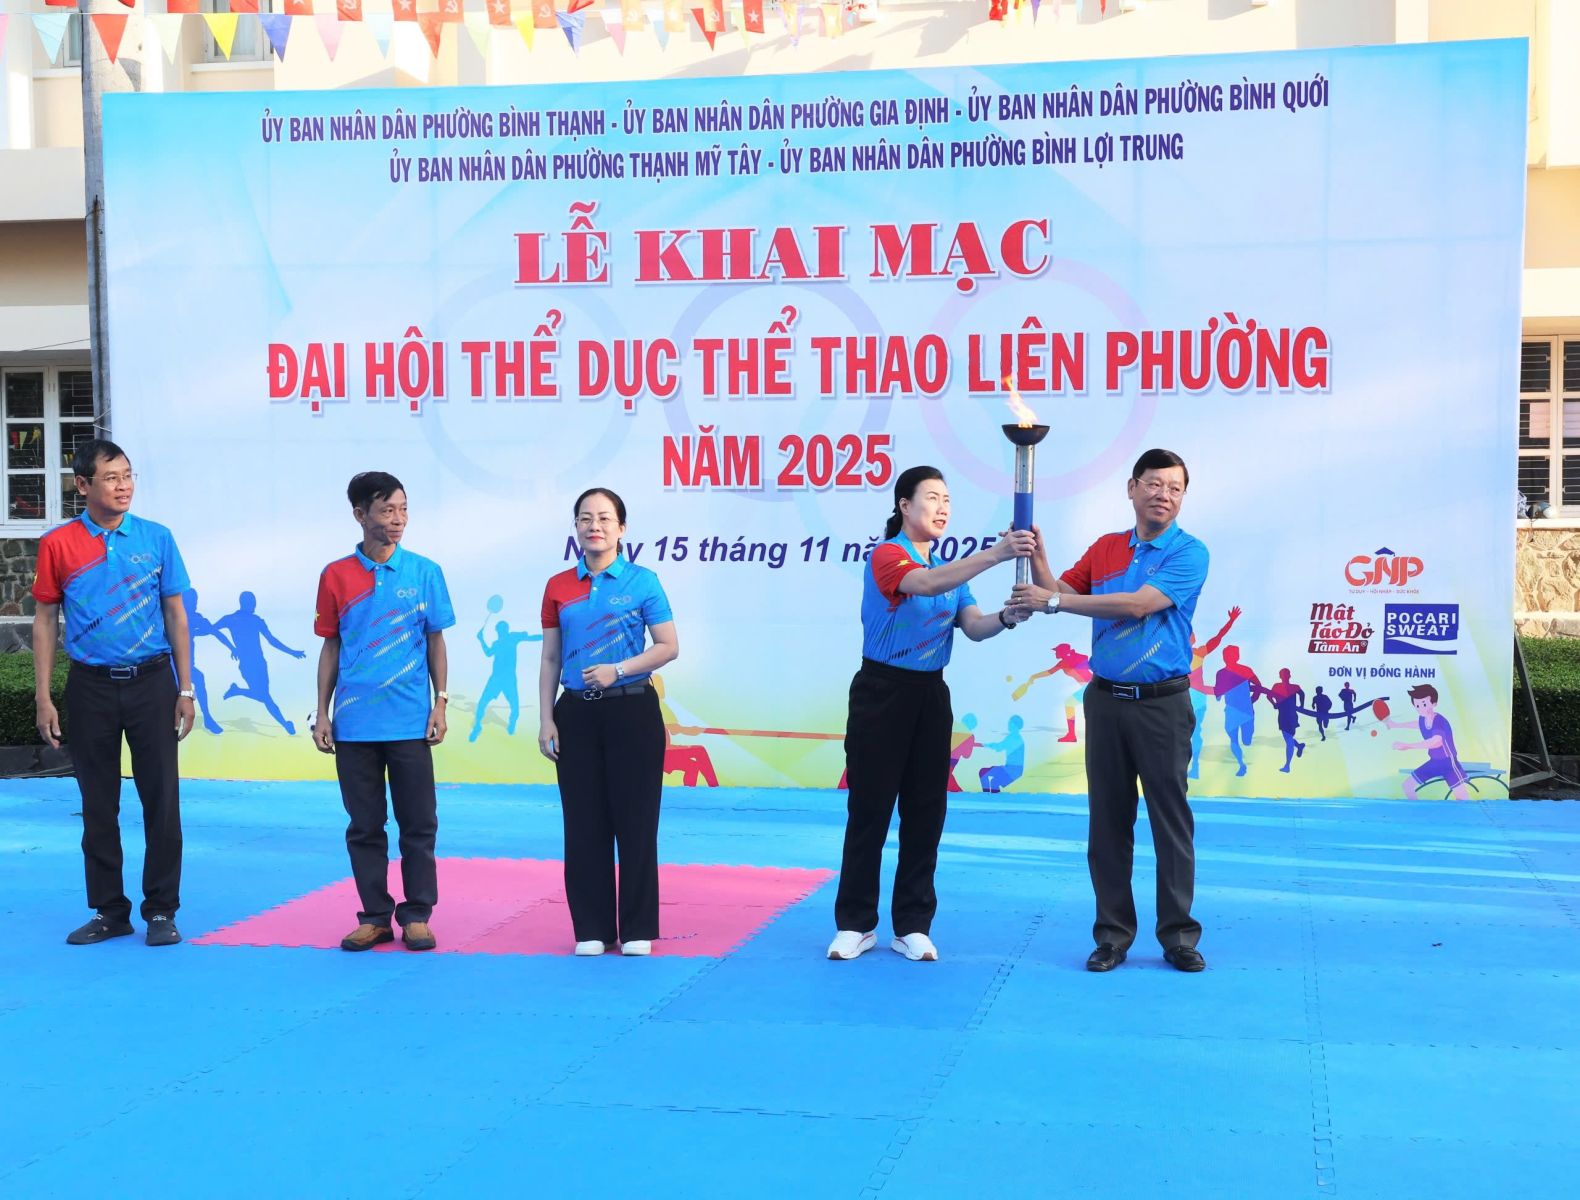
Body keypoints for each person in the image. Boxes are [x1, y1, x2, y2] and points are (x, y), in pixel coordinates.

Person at [1012, 448, 1210, 973]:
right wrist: (1038, 557)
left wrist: (1053, 601)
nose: (1163, 495)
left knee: (1170, 822)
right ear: (1132, 488)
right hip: (1106, 702)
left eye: (1174, 487)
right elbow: (1057, 592)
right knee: (1107, 824)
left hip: (1162, 704)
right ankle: (1113, 936)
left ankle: (1178, 936)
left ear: (1183, 497)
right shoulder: (1105, 549)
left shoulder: (1189, 553)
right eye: (1154, 484)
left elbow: (1137, 605)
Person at [828, 465, 1034, 963]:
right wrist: (996, 553)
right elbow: (920, 584)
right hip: (881, 692)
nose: (943, 508)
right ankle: (855, 924)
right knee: (870, 810)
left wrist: (1007, 617)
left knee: (925, 813)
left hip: (930, 696)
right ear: (904, 505)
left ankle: (912, 925)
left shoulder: (951, 571)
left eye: (948, 500)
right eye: (932, 498)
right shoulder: (887, 555)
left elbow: (974, 626)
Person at [32, 439, 197, 947]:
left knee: (161, 802)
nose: (123, 486)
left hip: (152, 683)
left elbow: (176, 615)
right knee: (98, 804)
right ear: (82, 485)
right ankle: (110, 911)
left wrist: (186, 688)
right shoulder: (58, 544)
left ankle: (161, 910)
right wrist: (43, 696)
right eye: (111, 478)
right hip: (90, 688)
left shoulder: (156, 538)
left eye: (127, 476)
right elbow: (45, 620)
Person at [313, 471, 454, 953]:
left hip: (410, 721)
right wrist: (322, 713)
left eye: (403, 509)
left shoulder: (425, 572)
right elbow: (331, 646)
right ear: (360, 515)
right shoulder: (335, 575)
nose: (398, 520)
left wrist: (440, 702)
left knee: (419, 824)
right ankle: (374, 916)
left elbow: (435, 641)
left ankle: (417, 915)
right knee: (364, 826)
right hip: (354, 724)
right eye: (387, 510)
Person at [538, 488, 678, 957]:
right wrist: (546, 718)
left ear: (621, 528)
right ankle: (592, 927)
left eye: (603, 518)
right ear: (576, 527)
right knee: (583, 823)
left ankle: (637, 928)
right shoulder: (559, 586)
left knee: (636, 821)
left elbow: (668, 646)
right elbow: (551, 657)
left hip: (631, 709)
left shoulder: (643, 581)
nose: (593, 526)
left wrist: (619, 669)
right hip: (575, 713)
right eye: (585, 518)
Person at [216, 590, 307, 734]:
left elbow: (272, 641)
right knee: (264, 696)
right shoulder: (234, 619)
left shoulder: (251, 620)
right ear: (247, 603)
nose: (254, 606)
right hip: (249, 664)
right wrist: (231, 647)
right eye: (253, 603)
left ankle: (237, 690)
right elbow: (212, 629)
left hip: (259, 664)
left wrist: (292, 652)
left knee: (263, 696)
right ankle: (285, 724)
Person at [1385, 683, 1471, 800]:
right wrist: (1396, 725)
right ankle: (1417, 809)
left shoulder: (1439, 720)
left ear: (1434, 704)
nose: (1420, 708)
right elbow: (1418, 724)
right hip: (1434, 762)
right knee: (1407, 786)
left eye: (1424, 704)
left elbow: (1436, 742)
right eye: (1417, 705)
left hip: (1449, 763)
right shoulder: (1423, 719)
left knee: (1462, 798)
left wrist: (1408, 746)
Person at [1266, 668, 1307, 773]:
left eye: (1286, 674)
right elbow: (1269, 696)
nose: (1284, 676)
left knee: (1288, 740)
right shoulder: (1277, 686)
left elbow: (1302, 694)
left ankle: (1287, 765)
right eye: (1283, 674)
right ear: (1280, 676)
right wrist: (1274, 704)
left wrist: (1302, 706)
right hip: (1283, 715)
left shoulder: (1295, 687)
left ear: (1289, 676)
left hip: (1291, 716)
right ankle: (1299, 746)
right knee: (1289, 738)